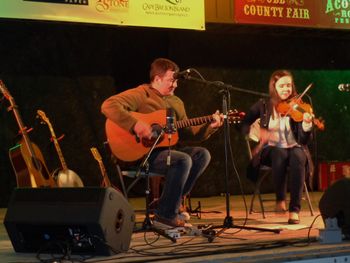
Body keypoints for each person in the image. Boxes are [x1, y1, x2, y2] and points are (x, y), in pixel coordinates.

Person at [101, 58, 222, 228]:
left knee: (201, 155)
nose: (175, 85)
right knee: (182, 160)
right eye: (171, 81)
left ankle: (172, 201)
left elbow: (189, 133)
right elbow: (108, 105)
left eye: (176, 81)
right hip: (142, 154)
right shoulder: (142, 93)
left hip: (166, 152)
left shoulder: (176, 102)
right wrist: (134, 125)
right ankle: (165, 216)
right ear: (157, 79)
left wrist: (211, 126)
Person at [241, 70, 313, 224]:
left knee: (298, 154)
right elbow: (243, 124)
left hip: (294, 149)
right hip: (270, 152)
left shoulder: (298, 106)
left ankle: (294, 210)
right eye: (282, 86)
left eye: (289, 85)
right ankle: (280, 199)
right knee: (280, 152)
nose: (286, 89)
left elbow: (304, 140)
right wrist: (260, 132)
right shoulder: (263, 105)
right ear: (274, 87)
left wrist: (307, 125)